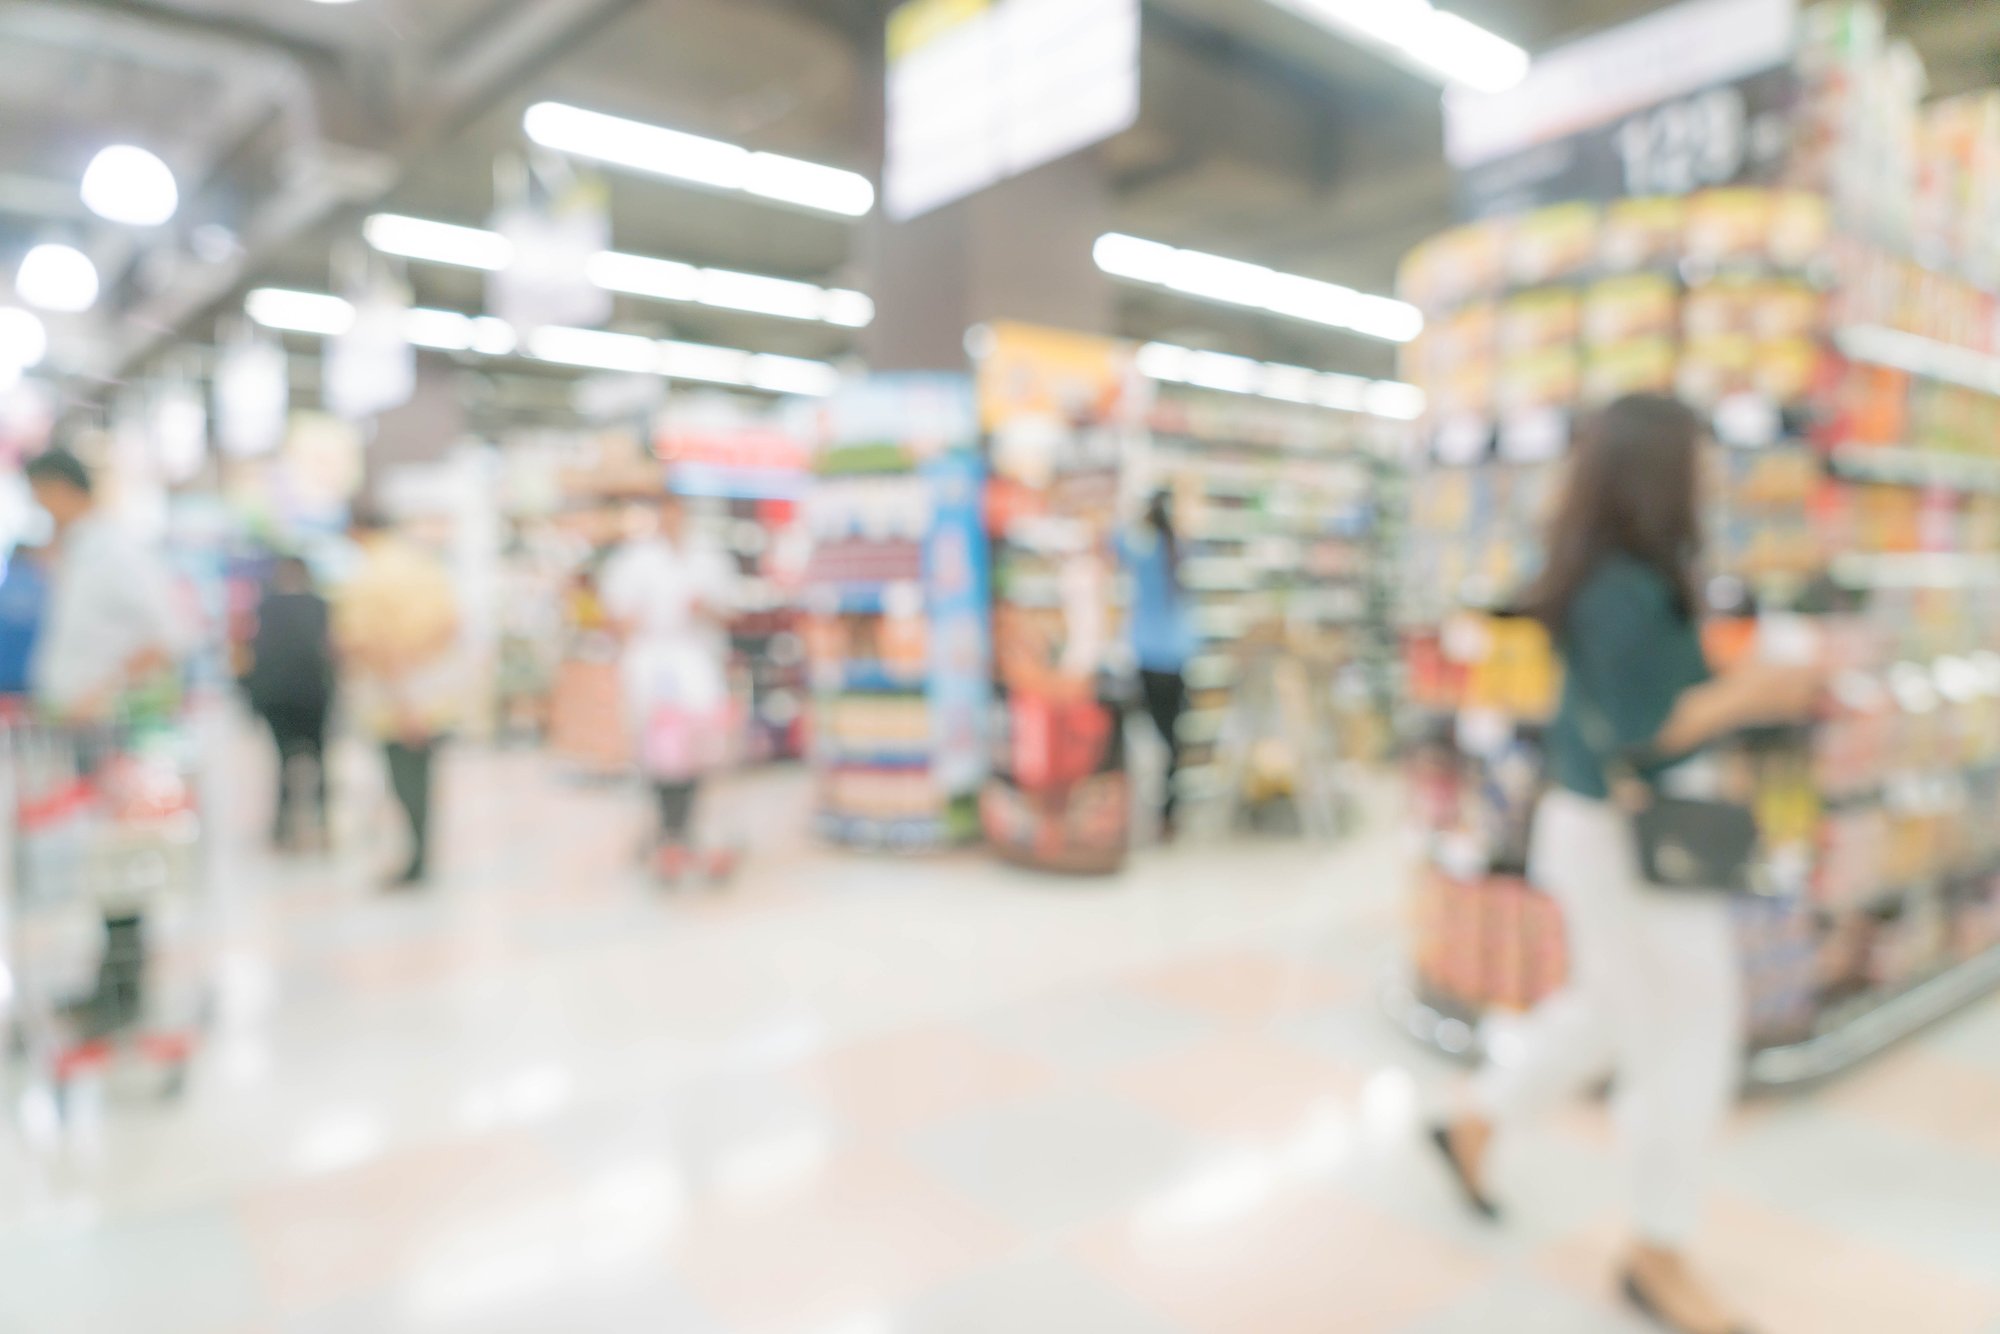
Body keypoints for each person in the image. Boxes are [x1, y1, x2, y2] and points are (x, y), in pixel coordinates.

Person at [1430, 396, 1822, 1334]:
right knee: (1690, 1031)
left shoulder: (1626, 573)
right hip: (1625, 839)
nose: (1710, 480)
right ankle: (1657, 1252)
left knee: (1611, 1007)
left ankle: (1476, 1121)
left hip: (1602, 830)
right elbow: (1649, 730)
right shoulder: (1619, 585)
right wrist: (1760, 687)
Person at [24, 448, 191, 1038]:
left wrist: (102, 691)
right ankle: (109, 987)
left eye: (41, 493)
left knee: (122, 863)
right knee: (104, 865)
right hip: (86, 735)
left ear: (63, 489)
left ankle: (121, 995)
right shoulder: (79, 553)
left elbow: (168, 637)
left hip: (114, 736)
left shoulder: (116, 551)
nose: (38, 507)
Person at [601, 489, 736, 883]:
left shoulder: (708, 559)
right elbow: (617, 619)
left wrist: (703, 609)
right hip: (652, 667)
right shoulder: (635, 562)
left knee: (696, 750)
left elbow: (729, 612)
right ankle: (666, 830)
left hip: (696, 664)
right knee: (658, 753)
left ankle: (684, 828)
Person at [334, 507, 460, 888]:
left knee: (403, 781)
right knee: (423, 780)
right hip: (433, 693)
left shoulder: (368, 575)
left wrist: (402, 692)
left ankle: (414, 860)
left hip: (393, 700)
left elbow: (366, 643)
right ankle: (420, 856)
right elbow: (452, 624)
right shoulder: (425, 565)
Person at [1118, 490, 1196, 842]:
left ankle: (1139, 811)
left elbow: (1114, 541)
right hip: (1178, 655)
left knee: (1147, 736)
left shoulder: (1145, 550)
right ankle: (1169, 815)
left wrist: (1136, 517)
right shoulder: (1179, 549)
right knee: (1173, 738)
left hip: (1148, 655)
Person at [248, 555, 334, 852]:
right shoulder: (320, 606)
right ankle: (322, 823)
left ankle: (284, 828)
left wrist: (253, 704)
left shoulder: (265, 608)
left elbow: (254, 656)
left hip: (277, 697)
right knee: (320, 758)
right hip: (314, 694)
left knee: (282, 759)